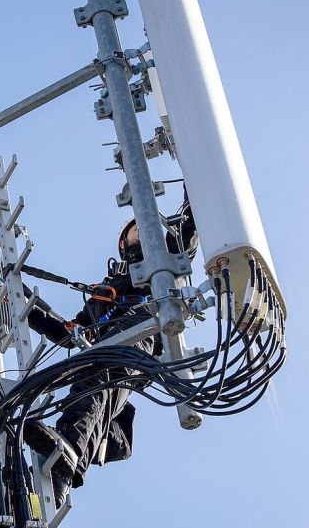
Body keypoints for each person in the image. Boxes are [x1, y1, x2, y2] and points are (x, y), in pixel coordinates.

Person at [24, 197, 199, 503]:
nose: (142, 234)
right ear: (123, 245)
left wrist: (195, 178)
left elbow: (191, 222)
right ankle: (61, 467)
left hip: (143, 333)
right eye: (136, 231)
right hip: (107, 354)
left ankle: (70, 448)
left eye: (148, 230)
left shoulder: (165, 262)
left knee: (102, 364)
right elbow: (69, 333)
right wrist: (24, 304)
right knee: (90, 372)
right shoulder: (105, 295)